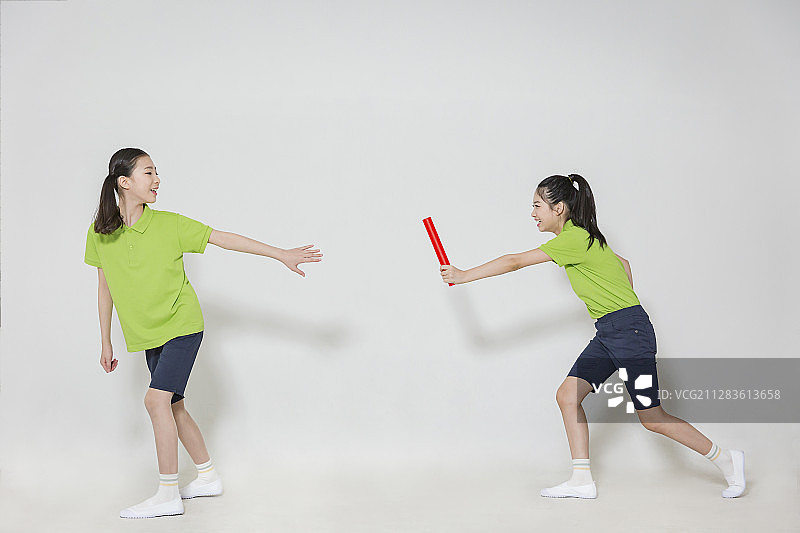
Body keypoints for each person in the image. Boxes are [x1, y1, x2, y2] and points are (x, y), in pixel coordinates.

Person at [439, 173, 745, 499]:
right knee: (567, 396)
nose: (533, 213)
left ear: (559, 208)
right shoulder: (586, 238)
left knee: (652, 418)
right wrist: (619, 302)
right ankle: (581, 479)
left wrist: (464, 275)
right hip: (610, 332)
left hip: (628, 333)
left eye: (537, 205)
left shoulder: (573, 239)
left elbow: (515, 262)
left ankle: (727, 460)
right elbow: (623, 264)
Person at [84, 148, 323, 519]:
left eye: (157, 172)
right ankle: (207, 476)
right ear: (124, 182)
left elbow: (224, 238)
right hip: (149, 334)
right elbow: (105, 288)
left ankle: (167, 493)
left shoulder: (169, 224)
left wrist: (279, 253)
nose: (157, 179)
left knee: (155, 401)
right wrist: (105, 340)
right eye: (149, 173)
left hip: (182, 326)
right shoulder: (100, 234)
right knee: (174, 406)